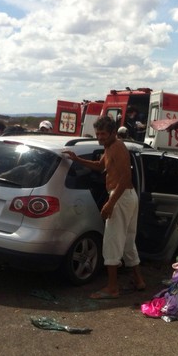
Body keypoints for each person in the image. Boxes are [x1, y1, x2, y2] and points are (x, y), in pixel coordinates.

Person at [62, 116, 146, 299]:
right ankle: (139, 281)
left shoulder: (117, 147)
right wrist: (77, 159)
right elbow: (100, 166)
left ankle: (112, 288)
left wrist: (110, 203)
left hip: (121, 196)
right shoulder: (109, 147)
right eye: (98, 134)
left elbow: (125, 178)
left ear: (113, 133)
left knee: (112, 242)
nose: (99, 137)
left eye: (103, 134)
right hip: (125, 197)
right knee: (128, 242)